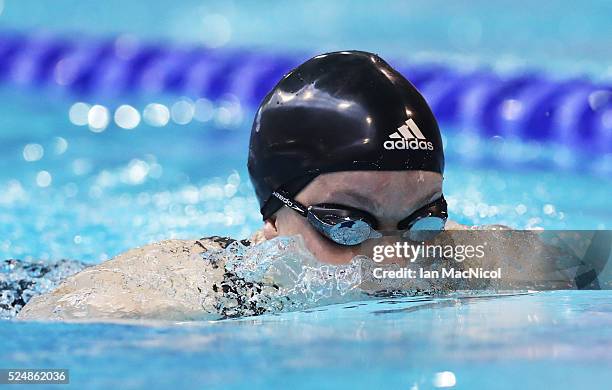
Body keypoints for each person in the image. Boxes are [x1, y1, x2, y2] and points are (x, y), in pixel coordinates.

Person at [17, 51, 592, 321]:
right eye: (345, 223)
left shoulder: (457, 260)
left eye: (421, 220)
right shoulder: (197, 291)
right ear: (274, 214)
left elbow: (593, 263)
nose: (389, 256)